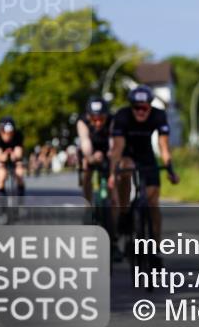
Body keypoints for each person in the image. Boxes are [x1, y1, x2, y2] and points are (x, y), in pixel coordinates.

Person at [108, 86, 179, 243]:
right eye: (136, 108)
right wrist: (113, 174)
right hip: (128, 153)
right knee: (126, 169)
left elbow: (164, 147)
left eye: (144, 108)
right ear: (131, 107)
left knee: (153, 203)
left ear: (150, 106)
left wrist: (170, 169)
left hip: (147, 156)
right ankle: (125, 213)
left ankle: (156, 245)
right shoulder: (123, 116)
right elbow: (117, 149)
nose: (140, 111)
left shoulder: (158, 116)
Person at [77, 96, 113, 203]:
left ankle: (111, 203)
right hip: (90, 150)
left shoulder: (112, 120)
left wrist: (111, 154)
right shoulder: (82, 122)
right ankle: (88, 205)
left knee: (113, 176)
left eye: (101, 119)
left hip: (107, 149)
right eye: (94, 119)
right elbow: (85, 142)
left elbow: (113, 142)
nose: (98, 123)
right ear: (89, 116)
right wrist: (90, 158)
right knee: (87, 173)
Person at [0, 116, 26, 196]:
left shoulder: (18, 135)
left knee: (19, 173)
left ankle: (20, 201)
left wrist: (15, 156)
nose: (7, 135)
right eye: (4, 132)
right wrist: (5, 155)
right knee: (1, 176)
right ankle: (2, 202)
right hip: (1, 158)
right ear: (0, 131)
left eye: (10, 133)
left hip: (14, 157)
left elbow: (19, 152)